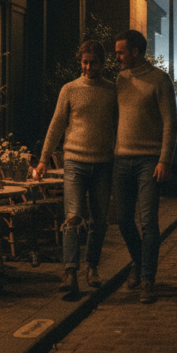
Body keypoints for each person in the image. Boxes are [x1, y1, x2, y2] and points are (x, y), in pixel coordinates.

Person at [34, 40, 117, 296]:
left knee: (99, 221)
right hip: (75, 162)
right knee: (73, 217)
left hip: (103, 163)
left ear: (102, 63)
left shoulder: (112, 91)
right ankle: (70, 271)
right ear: (80, 62)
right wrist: (43, 158)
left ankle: (91, 267)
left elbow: (119, 126)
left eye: (93, 62)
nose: (88, 67)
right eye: (85, 62)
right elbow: (56, 124)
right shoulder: (69, 89)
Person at [112, 29, 177, 304]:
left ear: (135, 52)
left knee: (149, 222)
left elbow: (170, 123)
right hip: (121, 158)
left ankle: (147, 279)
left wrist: (164, 159)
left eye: (120, 52)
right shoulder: (120, 79)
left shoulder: (160, 80)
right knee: (123, 219)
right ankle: (139, 264)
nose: (116, 58)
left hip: (149, 161)